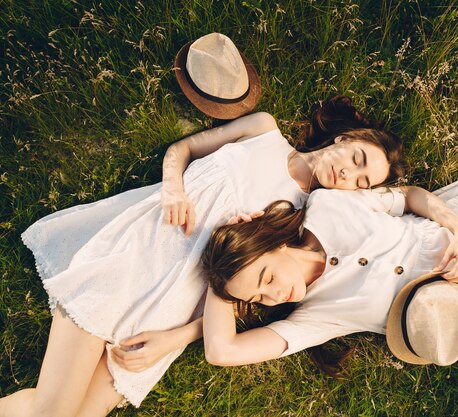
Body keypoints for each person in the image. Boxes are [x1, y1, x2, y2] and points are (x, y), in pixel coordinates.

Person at [0, 89, 414, 416]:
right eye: (357, 159)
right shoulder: (264, 131)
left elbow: (243, 295)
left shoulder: (303, 222)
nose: (348, 175)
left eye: (361, 182)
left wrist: (173, 339)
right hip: (132, 260)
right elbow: (182, 150)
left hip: (169, 312)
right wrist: (172, 188)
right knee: (52, 412)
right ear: (345, 139)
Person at [200, 139, 458, 371]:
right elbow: (222, 352)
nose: (272, 297)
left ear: (272, 244)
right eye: (258, 300)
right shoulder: (318, 316)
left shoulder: (330, 205)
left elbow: (409, 197)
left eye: (266, 279)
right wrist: (222, 283)